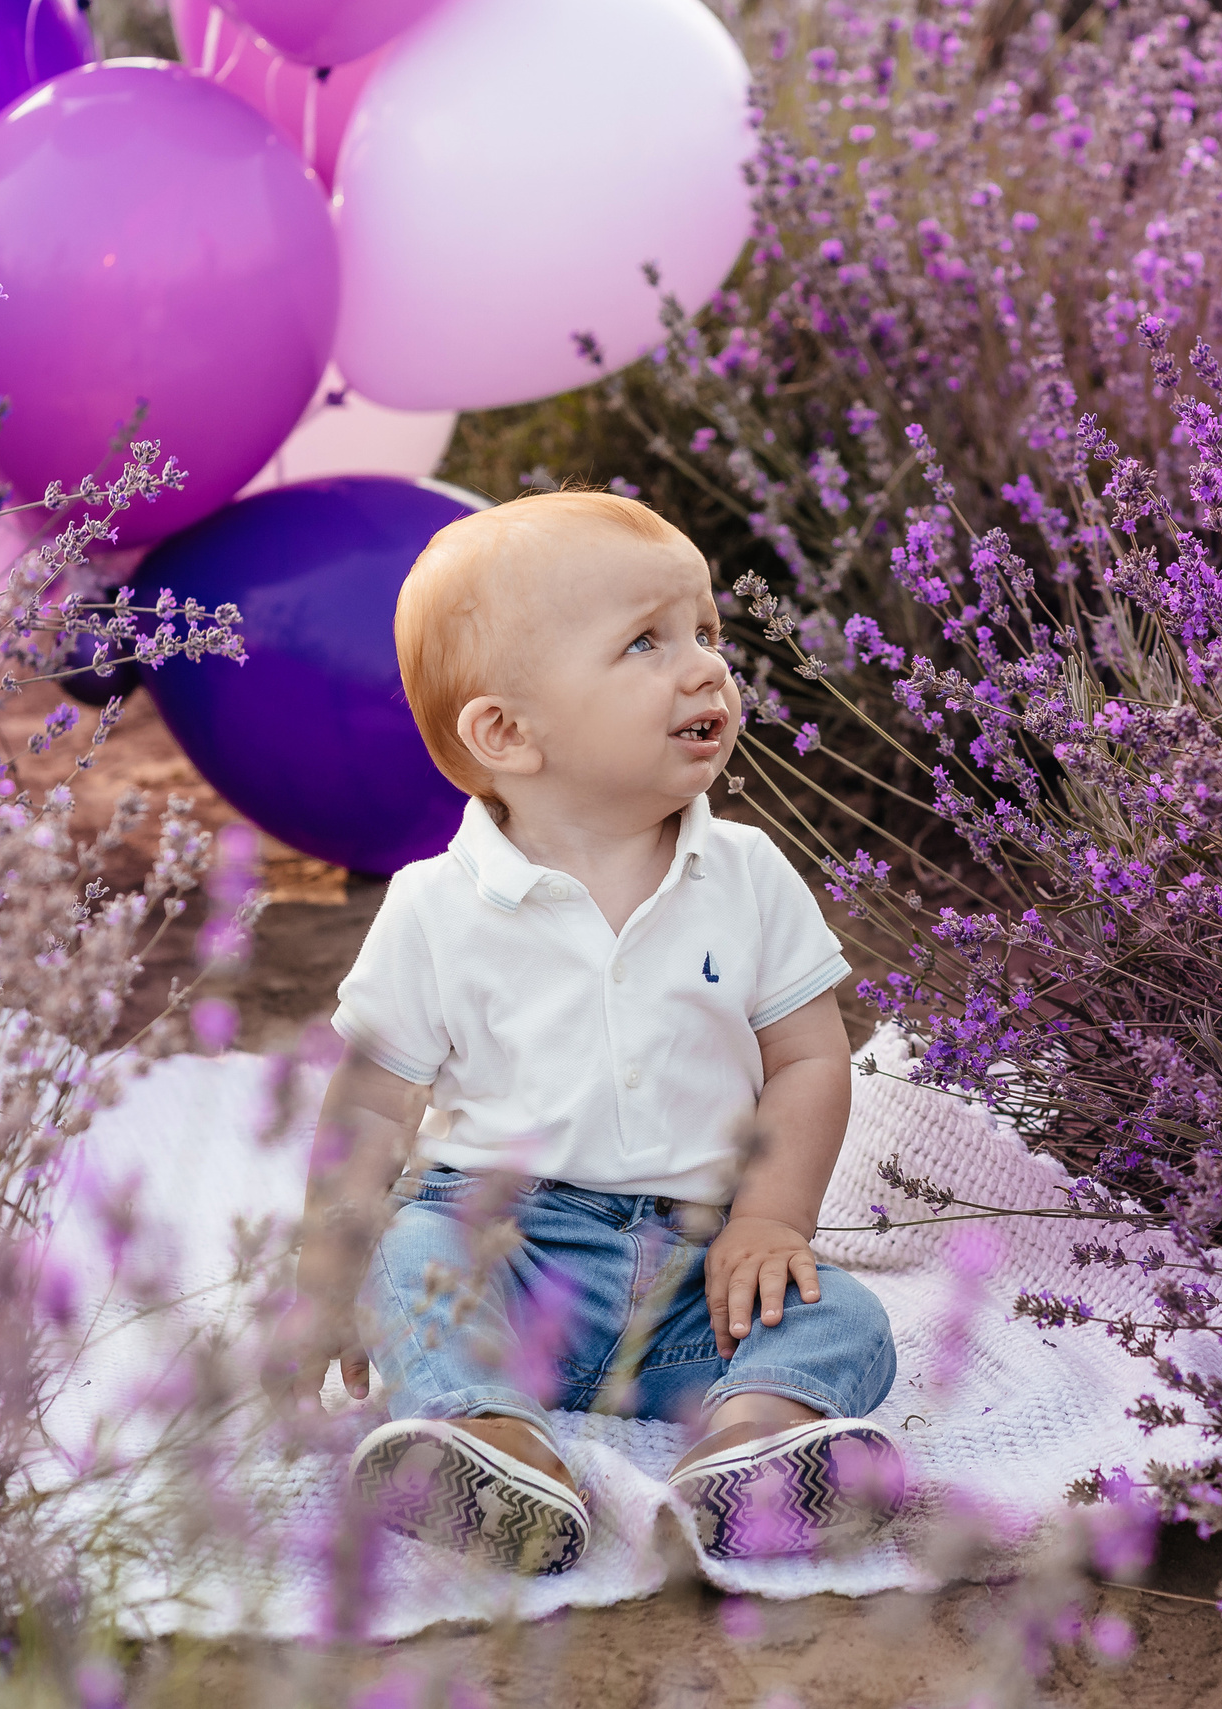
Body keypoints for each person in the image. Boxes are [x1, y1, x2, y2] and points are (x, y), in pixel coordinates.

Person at [269, 489, 903, 1576]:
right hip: (503, 1248)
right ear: (507, 732)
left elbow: (806, 1054)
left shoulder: (744, 873)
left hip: (697, 1276)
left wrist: (771, 1221)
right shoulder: (437, 904)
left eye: (707, 632)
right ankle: (486, 1439)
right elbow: (375, 1098)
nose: (706, 666)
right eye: (647, 642)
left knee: (847, 1318)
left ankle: (754, 1441)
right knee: (408, 1262)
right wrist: (331, 1253)